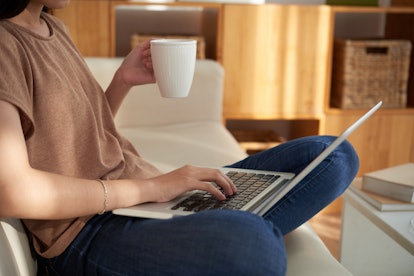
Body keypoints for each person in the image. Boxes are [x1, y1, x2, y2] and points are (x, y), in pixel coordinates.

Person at [0, 1, 359, 275]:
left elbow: (82, 138)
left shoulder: (53, 28)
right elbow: (13, 192)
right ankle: (224, 226)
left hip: (140, 198)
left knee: (332, 155)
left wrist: (122, 82)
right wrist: (155, 189)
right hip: (87, 231)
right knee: (256, 245)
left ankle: (215, 223)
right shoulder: (5, 45)